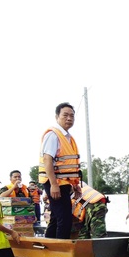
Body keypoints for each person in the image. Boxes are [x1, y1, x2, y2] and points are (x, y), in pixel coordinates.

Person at [39, 102, 82, 239]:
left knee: (57, 217)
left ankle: (49, 246)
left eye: (72, 116)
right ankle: (61, 250)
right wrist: (54, 184)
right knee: (64, 218)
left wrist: (75, 185)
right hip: (55, 182)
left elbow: (69, 165)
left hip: (64, 183)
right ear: (57, 116)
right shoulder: (53, 135)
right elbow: (47, 160)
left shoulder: (68, 137)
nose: (69, 118)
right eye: (65, 115)